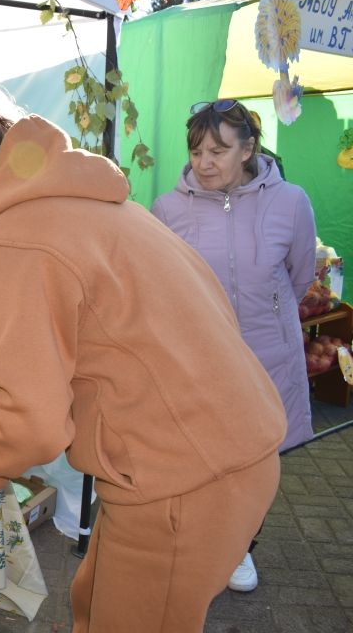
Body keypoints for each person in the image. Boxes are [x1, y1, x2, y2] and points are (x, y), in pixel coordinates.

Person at [0, 85, 286, 633]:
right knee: (94, 601)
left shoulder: (8, 243)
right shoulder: (103, 207)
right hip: (219, 459)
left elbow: (31, 422)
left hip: (181, 480)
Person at [152, 98, 316, 593]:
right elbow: (162, 284)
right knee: (205, 459)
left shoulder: (290, 202)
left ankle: (242, 546)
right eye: (197, 150)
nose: (204, 162)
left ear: (247, 149)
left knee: (257, 462)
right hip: (201, 362)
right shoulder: (167, 208)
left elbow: (300, 277)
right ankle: (205, 541)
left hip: (270, 358)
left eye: (218, 151)